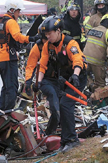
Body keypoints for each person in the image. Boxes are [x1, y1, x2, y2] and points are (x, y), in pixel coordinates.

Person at [37, 16, 86, 153]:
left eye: (50, 34)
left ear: (58, 31)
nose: (48, 37)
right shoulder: (48, 46)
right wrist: (38, 82)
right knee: (61, 106)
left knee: (65, 104)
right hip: (64, 79)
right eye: (46, 35)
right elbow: (43, 65)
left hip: (77, 77)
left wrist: (75, 75)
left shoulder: (70, 43)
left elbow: (78, 60)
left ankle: (72, 140)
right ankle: (65, 141)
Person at [0, 0, 37, 110]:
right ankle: (8, 111)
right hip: (8, 58)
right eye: (18, 11)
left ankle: (1, 109)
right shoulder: (11, 22)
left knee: (6, 86)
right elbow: (17, 37)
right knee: (12, 87)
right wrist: (31, 38)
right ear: (12, 10)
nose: (19, 14)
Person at [24, 35, 59, 135]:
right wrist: (28, 81)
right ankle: (51, 130)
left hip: (58, 78)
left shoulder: (56, 45)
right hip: (44, 79)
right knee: (54, 102)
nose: (48, 40)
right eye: (45, 38)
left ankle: (54, 127)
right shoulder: (37, 48)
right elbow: (30, 66)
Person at [83, 14, 108, 89]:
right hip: (97, 62)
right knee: (100, 84)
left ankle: (90, 85)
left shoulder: (93, 29)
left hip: (84, 59)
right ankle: (98, 97)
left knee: (84, 76)